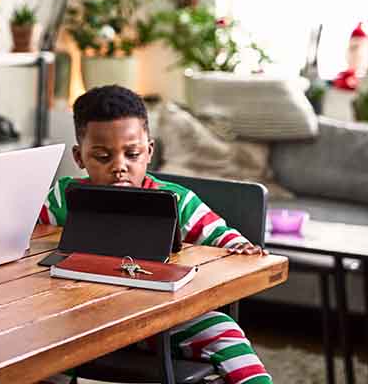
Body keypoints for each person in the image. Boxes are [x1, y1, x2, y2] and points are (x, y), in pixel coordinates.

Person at [40, 85, 272, 384]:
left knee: (223, 330)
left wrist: (239, 245)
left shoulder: (177, 200)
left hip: (160, 324)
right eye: (102, 156)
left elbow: (223, 238)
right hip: (81, 323)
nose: (119, 167)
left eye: (132, 154)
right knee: (35, 344)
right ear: (79, 156)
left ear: (149, 151)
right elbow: (28, 239)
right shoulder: (65, 196)